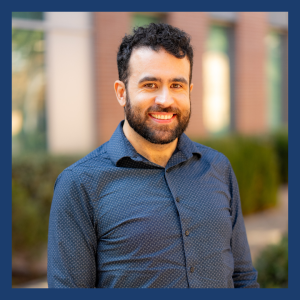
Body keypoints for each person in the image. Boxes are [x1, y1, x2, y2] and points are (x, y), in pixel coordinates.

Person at [47, 23, 259, 288]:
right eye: (150, 84)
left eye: (176, 86)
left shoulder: (218, 167)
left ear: (190, 92)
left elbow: (243, 278)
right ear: (121, 93)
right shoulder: (79, 184)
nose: (165, 100)